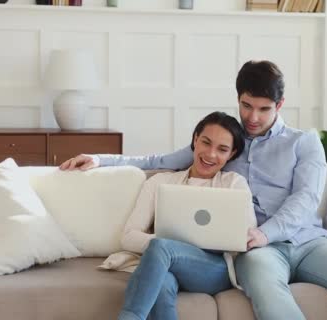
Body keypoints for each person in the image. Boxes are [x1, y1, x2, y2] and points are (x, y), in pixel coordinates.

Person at [61, 61, 327, 320]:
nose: (253, 116)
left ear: (280, 105)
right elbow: (157, 160)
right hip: (254, 252)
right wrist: (100, 158)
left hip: (309, 241)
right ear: (239, 99)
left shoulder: (303, 142)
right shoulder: (225, 143)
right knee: (270, 298)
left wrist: (265, 233)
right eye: (247, 105)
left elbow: (306, 198)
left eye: (264, 109)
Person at [84, 112, 256, 320]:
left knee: (161, 247)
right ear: (195, 140)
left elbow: (244, 238)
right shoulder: (160, 182)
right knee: (162, 279)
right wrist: (171, 247)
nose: (211, 154)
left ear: (232, 153)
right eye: (206, 143)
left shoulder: (234, 184)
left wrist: (169, 246)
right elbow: (128, 236)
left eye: (222, 149)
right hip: (165, 265)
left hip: (214, 270)